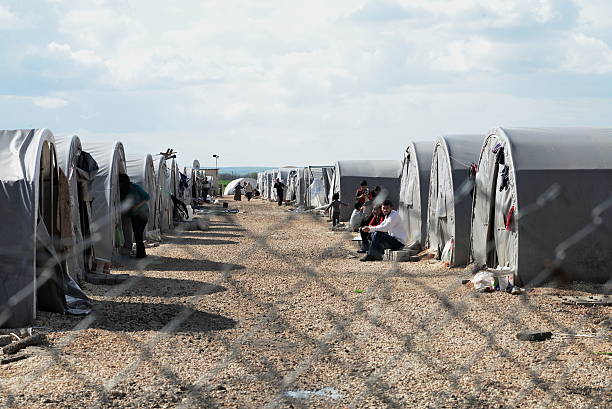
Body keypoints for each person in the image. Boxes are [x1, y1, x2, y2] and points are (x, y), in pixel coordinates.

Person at [118, 174, 150, 258]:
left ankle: (141, 254)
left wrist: (137, 206)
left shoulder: (134, 187)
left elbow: (147, 197)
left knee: (138, 233)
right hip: (134, 214)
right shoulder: (123, 191)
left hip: (143, 213)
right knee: (137, 234)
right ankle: (141, 253)